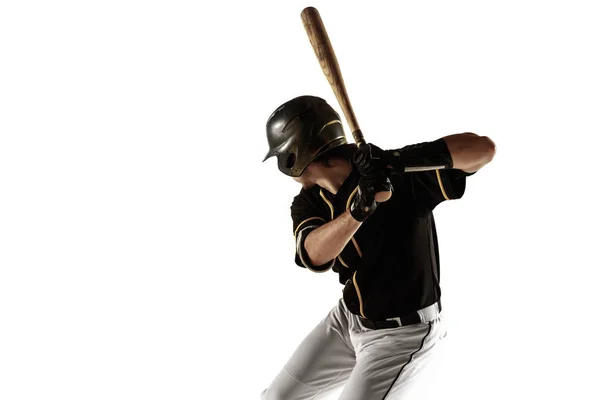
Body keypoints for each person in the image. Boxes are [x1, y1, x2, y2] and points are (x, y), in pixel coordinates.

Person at [260, 95, 495, 399]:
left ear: (297, 155)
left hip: (402, 335)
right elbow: (314, 255)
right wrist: (359, 211)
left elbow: (484, 149)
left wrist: (398, 161)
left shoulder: (396, 176)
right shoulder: (309, 200)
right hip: (348, 320)